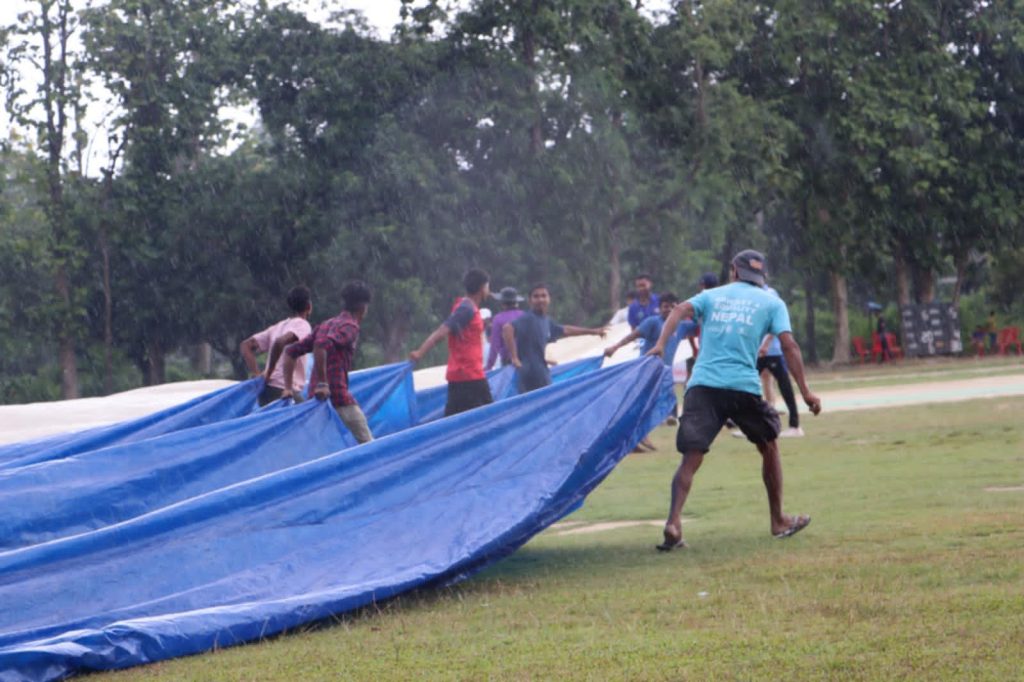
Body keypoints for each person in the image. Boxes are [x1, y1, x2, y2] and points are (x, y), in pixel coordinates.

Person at [647, 249, 821, 551]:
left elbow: (678, 311)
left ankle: (673, 523)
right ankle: (778, 520)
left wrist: (661, 344)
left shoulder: (711, 295)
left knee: (691, 456)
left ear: (733, 270)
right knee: (768, 446)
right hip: (742, 387)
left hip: (704, 385)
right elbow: (790, 346)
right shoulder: (772, 302)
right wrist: (806, 392)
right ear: (761, 276)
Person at [281, 281, 374, 444]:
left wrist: (288, 388)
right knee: (368, 444)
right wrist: (323, 384)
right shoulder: (350, 326)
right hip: (337, 397)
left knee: (317, 446)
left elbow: (290, 352)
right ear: (363, 307)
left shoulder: (325, 325)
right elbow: (321, 344)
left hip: (316, 401)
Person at [605, 292, 696, 443]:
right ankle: (633, 434)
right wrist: (615, 347)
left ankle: (656, 425)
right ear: (659, 308)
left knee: (664, 397)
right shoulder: (653, 322)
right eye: (665, 307)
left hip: (664, 371)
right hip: (647, 369)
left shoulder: (682, 326)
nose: (668, 310)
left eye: (672, 307)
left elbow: (701, 323)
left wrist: (687, 311)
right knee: (642, 402)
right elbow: (633, 335)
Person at [410, 269, 494, 416]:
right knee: (488, 417)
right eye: (488, 286)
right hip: (469, 375)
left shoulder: (466, 307)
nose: (489, 290)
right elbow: (442, 332)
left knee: (456, 418)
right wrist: (420, 352)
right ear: (482, 288)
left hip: (465, 373)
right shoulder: (466, 309)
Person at [504, 284, 607, 394]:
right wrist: (514, 357)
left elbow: (566, 330)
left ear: (549, 299)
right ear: (530, 301)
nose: (540, 299)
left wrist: (592, 331)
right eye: (536, 296)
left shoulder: (546, 321)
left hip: (541, 371)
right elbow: (508, 328)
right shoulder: (528, 318)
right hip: (530, 375)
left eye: (543, 296)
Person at [239, 286, 313, 407]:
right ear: (309, 307)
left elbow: (245, 345)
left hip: (266, 390)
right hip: (283, 389)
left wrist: (257, 374)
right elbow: (280, 342)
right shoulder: (303, 325)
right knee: (308, 415)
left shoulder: (278, 327)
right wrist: (269, 372)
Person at [757, 287, 802, 437]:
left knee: (785, 386)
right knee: (745, 386)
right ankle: (750, 425)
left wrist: (766, 344)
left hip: (772, 352)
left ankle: (795, 426)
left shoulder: (769, 293)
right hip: (756, 351)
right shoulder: (749, 293)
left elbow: (774, 321)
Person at [486, 287, 525, 370]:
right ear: (516, 302)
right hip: (526, 360)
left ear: (502, 303)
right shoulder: (525, 316)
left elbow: (495, 346)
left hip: (509, 362)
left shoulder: (498, 319)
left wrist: (489, 367)